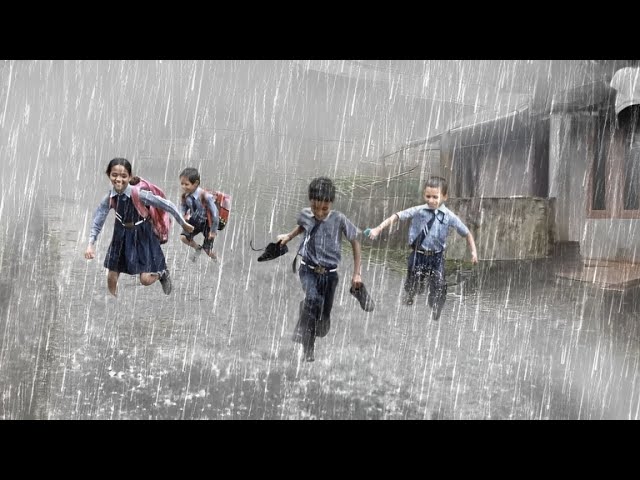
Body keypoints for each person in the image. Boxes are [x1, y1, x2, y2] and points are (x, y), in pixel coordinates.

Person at [276, 177, 363, 362]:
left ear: (331, 204)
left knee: (322, 325)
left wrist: (357, 273)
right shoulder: (306, 214)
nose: (319, 213)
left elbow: (355, 241)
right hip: (308, 269)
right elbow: (303, 226)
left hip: (330, 275)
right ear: (310, 202)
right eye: (315, 208)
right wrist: (289, 237)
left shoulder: (339, 219)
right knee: (313, 299)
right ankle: (308, 347)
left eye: (324, 209)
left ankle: (307, 314)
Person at [367, 176, 478, 320]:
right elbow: (397, 216)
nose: (431, 200)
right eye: (428, 196)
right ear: (424, 195)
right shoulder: (418, 210)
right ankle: (411, 292)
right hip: (417, 255)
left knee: (439, 284)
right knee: (413, 279)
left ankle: (436, 306)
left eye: (435, 197)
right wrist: (378, 228)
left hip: (436, 257)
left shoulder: (449, 216)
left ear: (444, 197)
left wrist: (473, 252)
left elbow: (467, 233)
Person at [84, 157, 194, 297]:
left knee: (145, 280)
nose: (118, 179)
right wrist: (90, 243)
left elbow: (166, 204)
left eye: (124, 176)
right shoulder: (110, 197)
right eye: (114, 175)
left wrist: (182, 222)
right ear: (109, 175)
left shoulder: (139, 194)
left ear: (130, 176)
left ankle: (162, 273)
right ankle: (115, 306)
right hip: (121, 234)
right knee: (111, 278)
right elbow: (97, 220)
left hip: (143, 234)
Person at [178, 167, 220, 261]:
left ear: (196, 183)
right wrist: (183, 216)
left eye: (186, 184)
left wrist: (213, 230)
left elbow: (215, 214)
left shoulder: (205, 196)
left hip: (207, 223)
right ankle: (197, 248)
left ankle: (217, 259)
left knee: (208, 250)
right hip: (195, 221)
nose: (183, 187)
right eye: (182, 184)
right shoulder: (185, 195)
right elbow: (183, 207)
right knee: (183, 237)